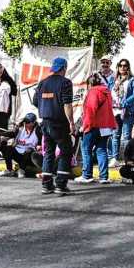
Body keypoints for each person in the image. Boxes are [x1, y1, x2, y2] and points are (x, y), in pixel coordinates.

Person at [34, 57, 76, 195]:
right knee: (66, 152)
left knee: (49, 153)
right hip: (59, 123)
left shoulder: (42, 83)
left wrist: (47, 105)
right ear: (64, 68)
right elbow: (67, 104)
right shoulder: (66, 83)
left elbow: (35, 101)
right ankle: (61, 185)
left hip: (45, 123)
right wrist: (71, 123)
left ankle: (46, 185)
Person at [78, 73, 117, 184]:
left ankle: (87, 175)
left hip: (94, 125)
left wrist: (85, 126)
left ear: (89, 84)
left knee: (86, 149)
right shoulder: (106, 91)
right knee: (101, 150)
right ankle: (104, 177)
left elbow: (91, 110)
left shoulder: (93, 92)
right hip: (106, 127)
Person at [0, 113, 43, 178]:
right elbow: (11, 133)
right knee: (6, 147)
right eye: (25, 121)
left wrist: (39, 145)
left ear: (33, 123)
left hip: (29, 156)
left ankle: (22, 170)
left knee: (28, 150)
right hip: (18, 153)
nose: (26, 123)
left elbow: (42, 142)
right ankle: (9, 170)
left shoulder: (38, 131)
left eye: (28, 122)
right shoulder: (20, 128)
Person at [112, 59, 134, 162]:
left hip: (127, 111)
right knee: (115, 135)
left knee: (126, 136)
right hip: (115, 111)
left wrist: (125, 102)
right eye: (120, 65)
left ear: (128, 67)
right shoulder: (114, 79)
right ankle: (114, 158)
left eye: (125, 65)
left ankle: (126, 158)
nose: (122, 67)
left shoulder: (132, 80)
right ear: (118, 67)